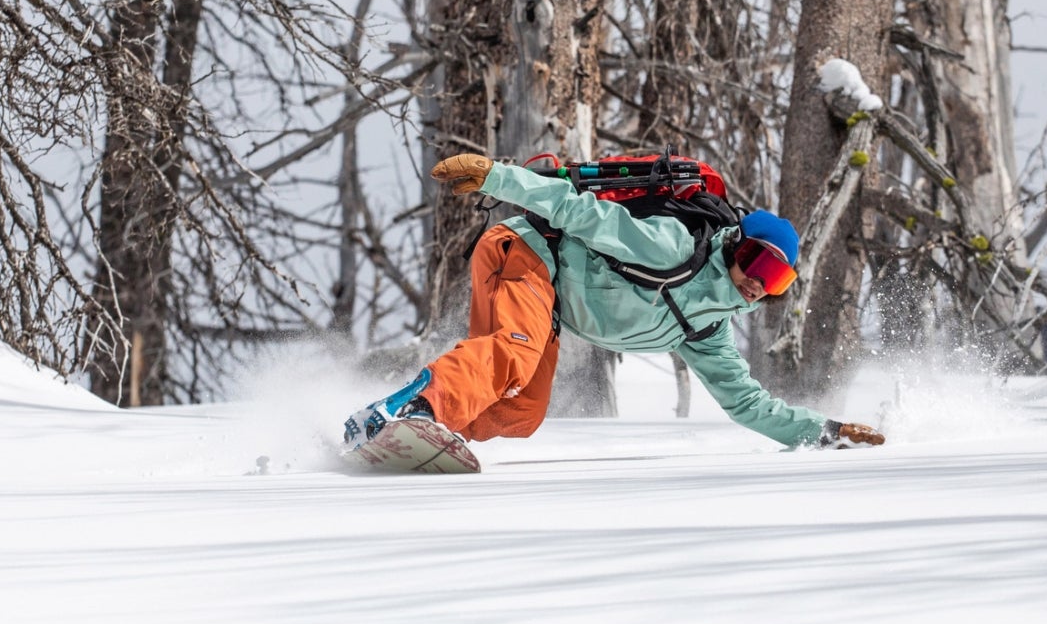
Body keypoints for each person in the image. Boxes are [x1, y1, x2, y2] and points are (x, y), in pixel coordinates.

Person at [344, 153, 886, 451]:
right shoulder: (674, 248)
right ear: (738, 245)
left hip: (550, 296)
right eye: (760, 265)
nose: (758, 285)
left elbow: (748, 405)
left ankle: (424, 436)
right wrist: (498, 176)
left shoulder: (706, 329)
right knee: (514, 353)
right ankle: (411, 407)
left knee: (521, 412)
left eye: (777, 282)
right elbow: (579, 212)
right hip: (530, 249)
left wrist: (825, 432)